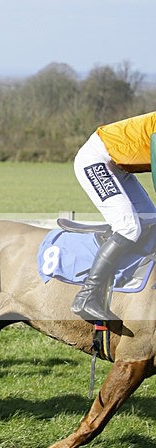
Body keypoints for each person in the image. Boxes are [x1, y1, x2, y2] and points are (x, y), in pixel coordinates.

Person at [70, 110, 156, 321]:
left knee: (151, 220)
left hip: (118, 167)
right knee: (129, 227)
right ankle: (86, 295)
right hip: (96, 159)